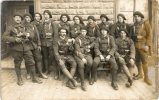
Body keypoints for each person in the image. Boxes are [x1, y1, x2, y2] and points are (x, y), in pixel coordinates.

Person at [2, 13, 42, 85]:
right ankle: (19, 79)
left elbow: (32, 35)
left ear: (21, 19)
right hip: (16, 49)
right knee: (18, 64)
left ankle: (34, 78)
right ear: (14, 19)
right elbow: (4, 37)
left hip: (26, 48)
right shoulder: (10, 27)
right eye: (16, 17)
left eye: (19, 18)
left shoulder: (25, 26)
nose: (18, 19)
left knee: (32, 62)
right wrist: (15, 39)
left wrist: (25, 34)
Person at [130, 11, 152, 85]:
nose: (136, 18)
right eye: (135, 16)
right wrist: (135, 37)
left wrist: (147, 45)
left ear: (141, 17)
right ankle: (140, 74)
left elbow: (149, 36)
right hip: (135, 46)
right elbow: (131, 36)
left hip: (143, 46)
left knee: (144, 61)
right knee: (137, 61)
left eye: (138, 16)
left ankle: (146, 78)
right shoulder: (133, 25)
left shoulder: (146, 24)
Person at [23, 13, 48, 79]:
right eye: (26, 17)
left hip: (34, 45)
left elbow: (37, 35)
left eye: (29, 18)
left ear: (31, 19)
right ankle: (28, 73)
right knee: (28, 60)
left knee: (38, 58)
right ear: (24, 18)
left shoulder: (33, 25)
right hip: (26, 45)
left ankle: (40, 73)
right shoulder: (22, 26)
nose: (28, 19)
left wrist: (39, 44)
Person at [74, 26, 94, 91]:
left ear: (86, 32)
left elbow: (95, 42)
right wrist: (82, 58)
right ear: (80, 32)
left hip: (87, 54)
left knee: (90, 63)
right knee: (81, 65)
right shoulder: (77, 39)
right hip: (79, 55)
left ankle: (83, 76)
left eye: (85, 31)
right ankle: (82, 83)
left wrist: (90, 46)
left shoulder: (88, 38)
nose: (83, 33)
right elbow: (77, 50)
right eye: (82, 31)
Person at [41, 10, 57, 75]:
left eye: (47, 14)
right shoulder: (42, 23)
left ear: (49, 15)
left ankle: (55, 72)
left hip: (51, 43)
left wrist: (54, 43)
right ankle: (47, 70)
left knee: (53, 57)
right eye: (44, 14)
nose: (46, 15)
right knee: (45, 57)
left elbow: (56, 34)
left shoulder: (53, 23)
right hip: (44, 43)